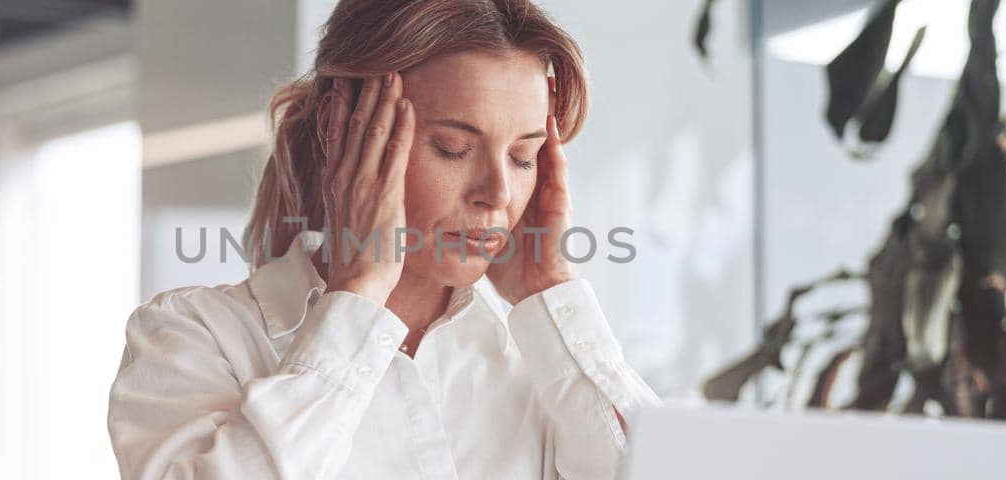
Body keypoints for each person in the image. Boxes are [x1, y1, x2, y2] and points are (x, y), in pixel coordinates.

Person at [108, 0, 660, 477]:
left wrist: (552, 288)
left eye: (523, 156)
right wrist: (359, 293)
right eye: (453, 148)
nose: (497, 194)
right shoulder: (191, 339)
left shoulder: (539, 358)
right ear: (337, 128)